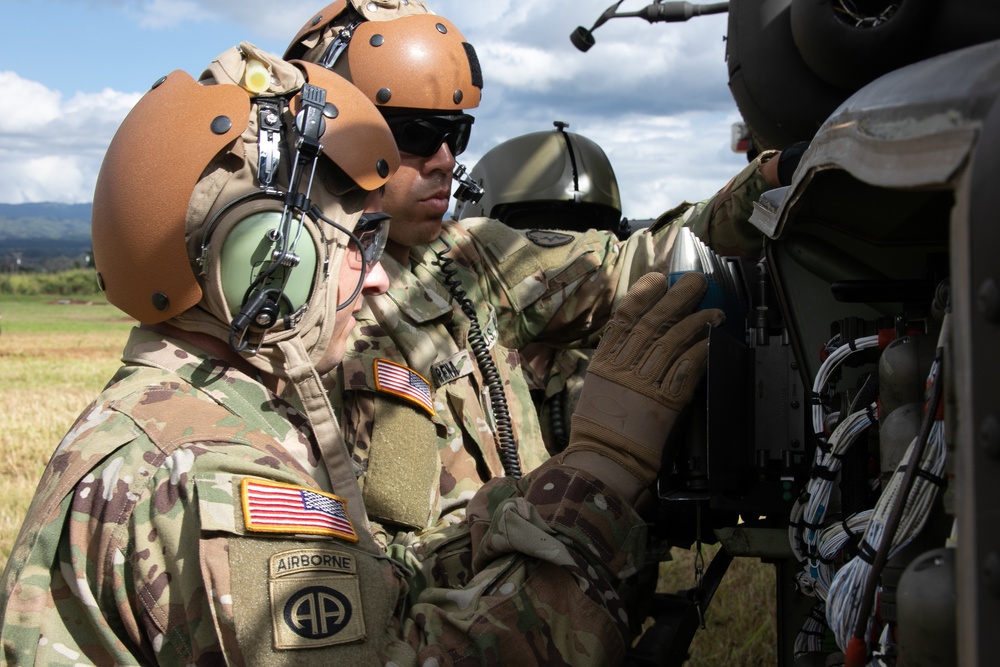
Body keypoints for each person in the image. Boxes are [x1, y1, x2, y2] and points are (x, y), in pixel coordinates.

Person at [0, 42, 724, 665]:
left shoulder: (216, 409)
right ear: (266, 260)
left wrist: (512, 514)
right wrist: (604, 468)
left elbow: (383, 584)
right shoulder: (207, 475)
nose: (377, 276)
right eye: (358, 245)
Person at [285, 0, 786, 535]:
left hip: (521, 595)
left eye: (455, 134)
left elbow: (629, 266)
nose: (445, 161)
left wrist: (775, 177)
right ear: (334, 136)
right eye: (416, 135)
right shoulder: (290, 292)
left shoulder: (469, 255)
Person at [456, 120, 630, 453]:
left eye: (579, 241)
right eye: (527, 242)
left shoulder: (609, 368)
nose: (558, 267)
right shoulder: (459, 358)